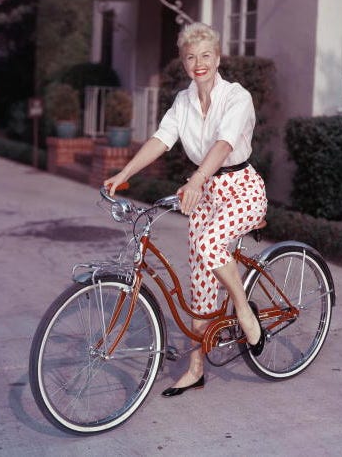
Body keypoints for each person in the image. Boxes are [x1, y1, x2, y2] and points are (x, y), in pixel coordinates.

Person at [104, 22, 267, 397]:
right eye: (191, 57)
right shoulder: (183, 101)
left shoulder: (237, 97)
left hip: (242, 189)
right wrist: (125, 173)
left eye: (206, 55)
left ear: (218, 58)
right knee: (200, 281)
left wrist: (193, 182)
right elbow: (162, 139)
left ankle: (244, 311)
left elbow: (225, 145)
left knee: (211, 247)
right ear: (183, 62)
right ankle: (196, 367)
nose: (199, 63)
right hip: (206, 193)